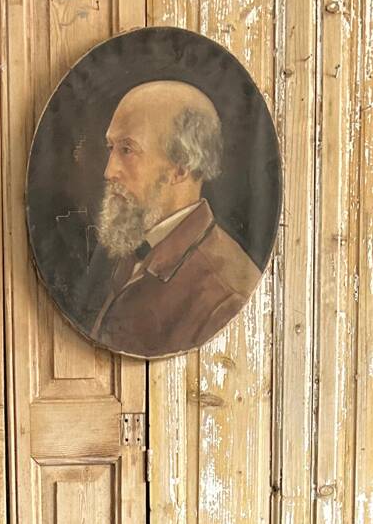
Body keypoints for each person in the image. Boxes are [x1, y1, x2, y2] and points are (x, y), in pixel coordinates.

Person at [86, 80, 261, 357]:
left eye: (127, 150)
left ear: (180, 168)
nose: (109, 172)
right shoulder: (135, 244)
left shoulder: (225, 297)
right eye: (111, 147)